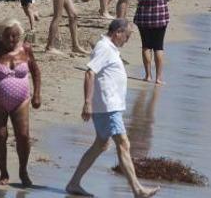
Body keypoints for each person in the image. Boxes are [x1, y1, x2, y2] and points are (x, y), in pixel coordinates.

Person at [65, 19, 160, 198]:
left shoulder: (109, 48)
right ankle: (138, 190)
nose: (127, 39)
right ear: (117, 33)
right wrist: (87, 102)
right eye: (127, 36)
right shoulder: (104, 48)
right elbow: (89, 72)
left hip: (109, 106)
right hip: (108, 106)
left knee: (101, 145)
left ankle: (74, 183)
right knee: (123, 144)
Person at [0, 19, 42, 187]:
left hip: (21, 100)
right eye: (7, 37)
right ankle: (3, 172)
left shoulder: (26, 49)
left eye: (15, 36)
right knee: (0, 136)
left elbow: (35, 72)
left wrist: (37, 95)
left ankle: (23, 171)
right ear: (1, 36)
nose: (11, 40)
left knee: (23, 136)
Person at [133, 0, 171, 84]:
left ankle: (148, 75)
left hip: (143, 16)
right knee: (158, 47)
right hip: (160, 16)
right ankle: (159, 78)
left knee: (146, 46)